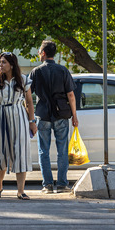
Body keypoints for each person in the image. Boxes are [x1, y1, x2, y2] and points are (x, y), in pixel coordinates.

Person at [0, 52, 38, 200]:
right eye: (0, 62)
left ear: (12, 64)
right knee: (1, 150)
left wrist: (32, 122)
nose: (1, 65)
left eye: (4, 62)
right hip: (2, 115)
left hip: (19, 114)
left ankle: (20, 191)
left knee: (20, 151)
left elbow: (29, 102)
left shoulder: (23, 80)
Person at [29, 40, 79, 194]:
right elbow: (71, 94)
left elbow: (28, 96)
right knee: (62, 150)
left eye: (39, 51)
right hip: (61, 114)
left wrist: (30, 117)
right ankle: (63, 184)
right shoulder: (63, 70)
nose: (38, 53)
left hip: (42, 114)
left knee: (43, 151)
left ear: (43, 53)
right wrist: (74, 116)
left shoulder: (36, 72)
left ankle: (48, 185)